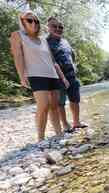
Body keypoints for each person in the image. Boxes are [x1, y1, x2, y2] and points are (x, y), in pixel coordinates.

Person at [10, 11, 70, 142]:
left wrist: (63, 77)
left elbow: (53, 60)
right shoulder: (17, 35)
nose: (34, 23)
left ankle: (59, 133)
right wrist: (21, 75)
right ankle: (41, 138)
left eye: (36, 21)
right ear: (22, 22)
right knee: (43, 105)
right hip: (35, 75)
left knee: (54, 105)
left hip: (52, 75)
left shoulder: (43, 39)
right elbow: (18, 56)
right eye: (29, 20)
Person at [47, 17, 87, 132]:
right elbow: (51, 61)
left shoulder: (65, 41)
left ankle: (76, 122)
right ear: (48, 27)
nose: (58, 29)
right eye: (54, 26)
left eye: (60, 27)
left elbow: (72, 54)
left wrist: (74, 66)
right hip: (57, 77)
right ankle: (65, 125)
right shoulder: (45, 43)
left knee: (75, 99)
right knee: (60, 103)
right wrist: (61, 77)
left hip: (72, 75)